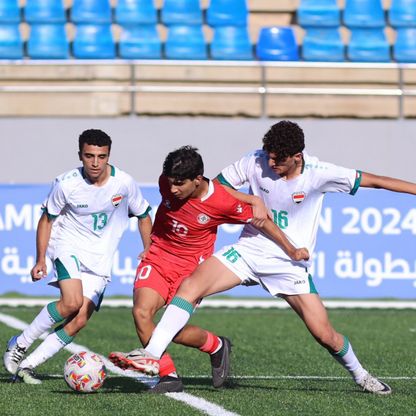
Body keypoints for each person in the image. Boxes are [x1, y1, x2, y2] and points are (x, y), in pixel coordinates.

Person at [121, 120, 416, 395]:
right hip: (249, 250)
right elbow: (215, 187)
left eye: (278, 160)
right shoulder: (255, 160)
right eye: (269, 156)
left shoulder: (319, 173)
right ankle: (151, 355)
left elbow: (375, 181)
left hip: (289, 264)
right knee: (191, 286)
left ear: (297, 156)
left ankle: (362, 375)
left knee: (325, 334)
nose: (270, 163)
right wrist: (252, 199)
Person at [109, 145, 309, 393]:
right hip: (159, 257)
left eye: (179, 184)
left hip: (192, 269)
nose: (172, 189)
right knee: (141, 313)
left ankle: (216, 345)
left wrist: (291, 249)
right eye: (170, 182)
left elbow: (263, 222)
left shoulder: (221, 203)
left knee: (174, 331)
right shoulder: (167, 182)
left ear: (197, 180)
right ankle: (167, 374)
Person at [3, 129, 152, 384]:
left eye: (101, 156)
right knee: (71, 302)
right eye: (89, 156)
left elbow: (144, 215)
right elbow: (46, 220)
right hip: (67, 245)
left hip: (100, 258)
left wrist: (149, 249)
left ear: (108, 156)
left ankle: (28, 365)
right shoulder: (66, 183)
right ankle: (19, 343)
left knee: (79, 319)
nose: (95, 162)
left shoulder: (124, 183)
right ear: (80, 155)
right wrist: (41, 259)